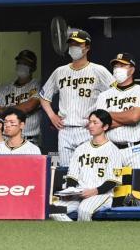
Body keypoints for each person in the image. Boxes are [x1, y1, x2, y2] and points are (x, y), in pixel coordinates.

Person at [40, 29, 114, 164]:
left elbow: (115, 93)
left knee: (88, 170)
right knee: (66, 172)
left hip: (88, 129)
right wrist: (52, 115)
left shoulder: (98, 70)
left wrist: (100, 116)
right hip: (65, 130)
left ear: (87, 47)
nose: (73, 47)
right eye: (71, 44)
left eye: (78, 44)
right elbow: (44, 96)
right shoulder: (60, 71)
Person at [53, 110, 123, 222]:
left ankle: (85, 238)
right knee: (54, 210)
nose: (91, 125)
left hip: (101, 195)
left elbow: (113, 180)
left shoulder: (113, 150)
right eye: (90, 122)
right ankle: (75, 235)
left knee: (84, 210)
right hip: (79, 193)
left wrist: (94, 191)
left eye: (95, 123)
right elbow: (72, 175)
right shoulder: (81, 148)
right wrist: (70, 191)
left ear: (105, 127)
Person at [92, 52, 140, 169]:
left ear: (132, 70)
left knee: (138, 187)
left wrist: (108, 115)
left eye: (123, 65)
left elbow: (135, 117)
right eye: (116, 66)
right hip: (111, 149)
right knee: (111, 187)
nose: (117, 69)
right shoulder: (104, 95)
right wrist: (127, 118)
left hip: (136, 150)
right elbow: (99, 124)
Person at [0, 50, 42, 146]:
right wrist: (18, 109)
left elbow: (29, 106)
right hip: (5, 140)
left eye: (25, 63)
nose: (22, 65)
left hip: (29, 140)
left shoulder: (37, 85)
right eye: (20, 63)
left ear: (33, 68)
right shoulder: (4, 88)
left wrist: (4, 110)